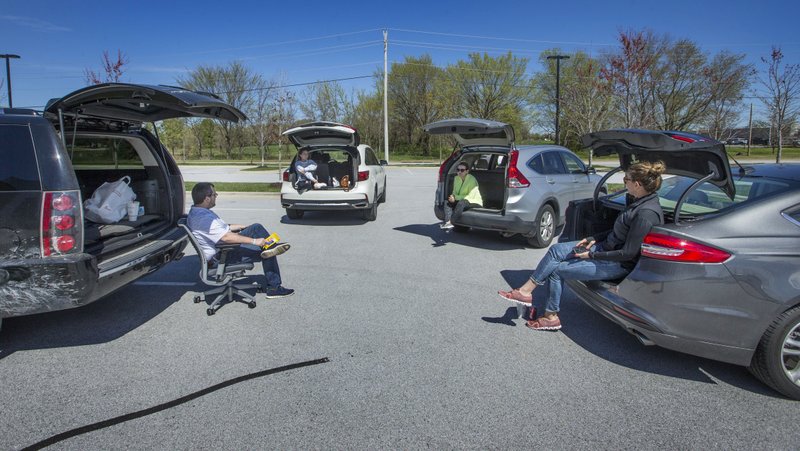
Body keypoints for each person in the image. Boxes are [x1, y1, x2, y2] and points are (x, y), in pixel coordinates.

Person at [498, 161, 666, 331]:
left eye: (626, 180)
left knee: (557, 271)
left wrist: (592, 256)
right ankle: (526, 292)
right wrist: (593, 238)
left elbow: (628, 253)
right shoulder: (637, 202)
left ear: (636, 184)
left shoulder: (646, 213)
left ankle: (551, 317)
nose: (625, 182)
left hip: (617, 263)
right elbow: (618, 232)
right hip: (604, 248)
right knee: (556, 250)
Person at [187, 182, 294, 299]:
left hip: (222, 249)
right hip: (222, 256)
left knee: (256, 228)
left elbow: (222, 229)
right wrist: (255, 241)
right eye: (214, 194)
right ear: (207, 198)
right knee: (268, 252)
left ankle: (271, 246)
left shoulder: (198, 212)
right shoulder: (203, 218)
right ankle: (274, 288)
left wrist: (242, 227)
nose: (216, 195)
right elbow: (226, 237)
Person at [441, 162, 483, 230]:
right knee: (447, 201)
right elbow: (454, 191)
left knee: (461, 202)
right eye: (458, 170)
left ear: (467, 171)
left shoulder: (472, 179)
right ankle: (447, 222)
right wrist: (452, 197)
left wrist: (456, 197)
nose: (459, 172)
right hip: (462, 200)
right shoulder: (456, 178)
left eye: (462, 170)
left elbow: (471, 196)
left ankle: (452, 222)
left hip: (474, 201)